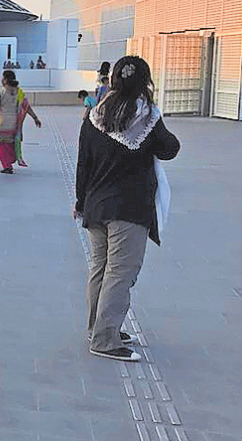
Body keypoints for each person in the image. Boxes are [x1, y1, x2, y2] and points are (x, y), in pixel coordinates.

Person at [76, 56, 180, 362]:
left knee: (100, 269)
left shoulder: (95, 115)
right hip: (129, 209)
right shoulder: (147, 118)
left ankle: (98, 328)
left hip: (96, 206)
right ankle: (106, 340)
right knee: (120, 273)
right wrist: (157, 119)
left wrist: (80, 202)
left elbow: (84, 163)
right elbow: (170, 148)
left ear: (113, 81)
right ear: (144, 83)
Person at [0, 69, 41, 174]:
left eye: (3, 78)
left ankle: (7, 165)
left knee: (1, 145)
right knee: (11, 143)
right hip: (14, 124)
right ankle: (11, 160)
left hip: (2, 124)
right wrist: (35, 118)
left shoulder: (0, 92)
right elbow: (26, 107)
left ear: (5, 80)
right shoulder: (19, 92)